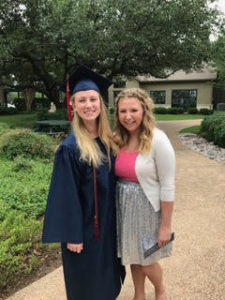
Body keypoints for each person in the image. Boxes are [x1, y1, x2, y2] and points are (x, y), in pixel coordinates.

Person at [42, 65, 125, 300]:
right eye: (82, 100)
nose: (88, 105)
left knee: (107, 281)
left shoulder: (109, 141)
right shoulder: (69, 149)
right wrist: (73, 235)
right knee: (86, 285)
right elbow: (64, 196)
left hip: (107, 227)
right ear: (73, 105)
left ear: (100, 102)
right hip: (85, 232)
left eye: (92, 99)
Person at [114, 88, 175, 300]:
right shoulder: (117, 139)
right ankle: (139, 295)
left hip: (148, 209)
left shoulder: (158, 139)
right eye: (123, 111)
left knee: (148, 259)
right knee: (133, 256)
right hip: (124, 207)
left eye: (133, 110)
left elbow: (168, 185)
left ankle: (160, 290)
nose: (128, 116)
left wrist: (165, 226)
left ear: (144, 110)